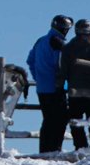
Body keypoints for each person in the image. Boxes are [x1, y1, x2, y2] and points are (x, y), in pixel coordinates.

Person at [58, 18, 90, 150]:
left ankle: (80, 147)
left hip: (75, 91)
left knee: (75, 122)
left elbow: (63, 70)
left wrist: (60, 87)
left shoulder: (68, 48)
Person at [26, 14, 72, 153]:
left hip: (42, 87)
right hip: (56, 87)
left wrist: (39, 78)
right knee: (60, 119)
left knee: (48, 120)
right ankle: (54, 149)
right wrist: (65, 84)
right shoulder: (58, 43)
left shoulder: (40, 41)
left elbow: (30, 61)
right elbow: (61, 66)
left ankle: (45, 149)